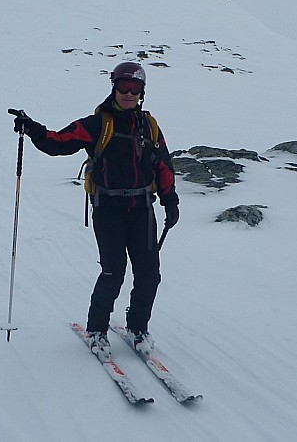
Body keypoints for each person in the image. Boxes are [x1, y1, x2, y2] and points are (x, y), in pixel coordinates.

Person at [12, 61, 179, 357]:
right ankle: (97, 330)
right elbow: (58, 142)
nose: (128, 94)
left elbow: (163, 164)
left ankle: (138, 328)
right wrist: (33, 129)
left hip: (142, 209)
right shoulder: (98, 124)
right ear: (114, 87)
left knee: (149, 272)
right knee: (113, 272)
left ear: (142, 92)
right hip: (108, 210)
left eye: (135, 89)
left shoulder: (149, 126)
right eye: (123, 87)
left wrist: (170, 200)